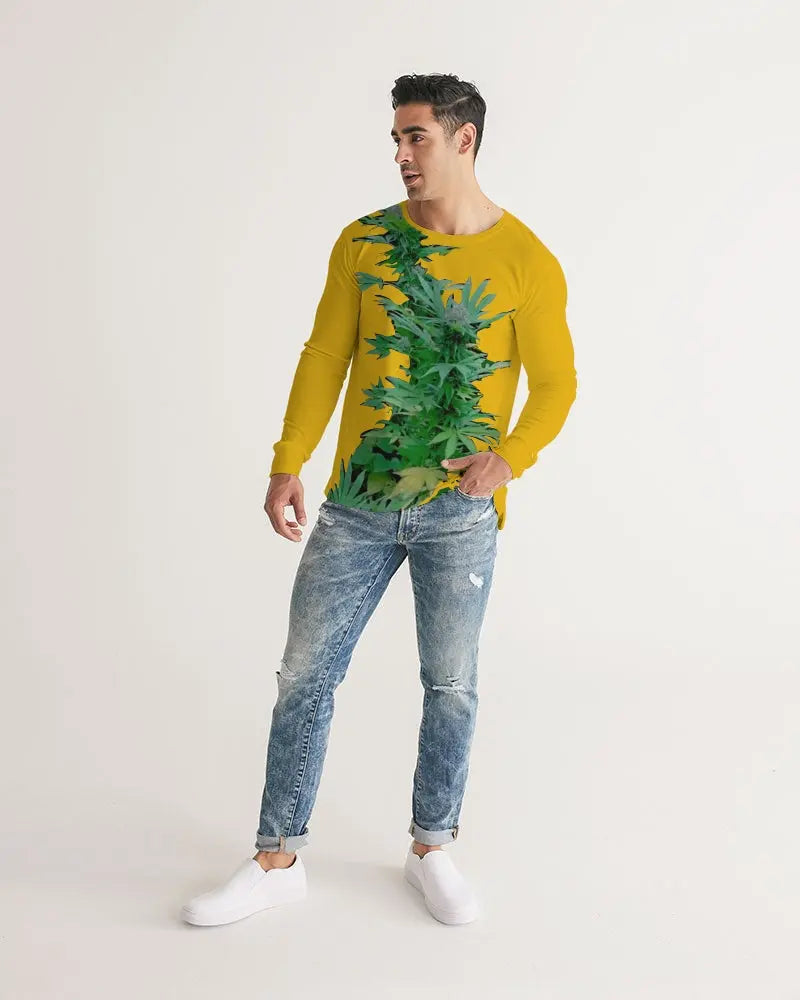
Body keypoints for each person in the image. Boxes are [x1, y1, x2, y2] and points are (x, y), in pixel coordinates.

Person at [181, 72, 577, 928]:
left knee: (451, 683)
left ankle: (432, 849)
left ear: (464, 139)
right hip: (356, 503)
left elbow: (556, 384)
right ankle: (277, 858)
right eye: (396, 139)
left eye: (416, 136)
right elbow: (326, 355)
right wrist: (288, 460)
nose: (400, 154)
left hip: (459, 513)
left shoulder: (526, 260)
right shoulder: (364, 242)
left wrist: (509, 459)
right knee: (304, 675)